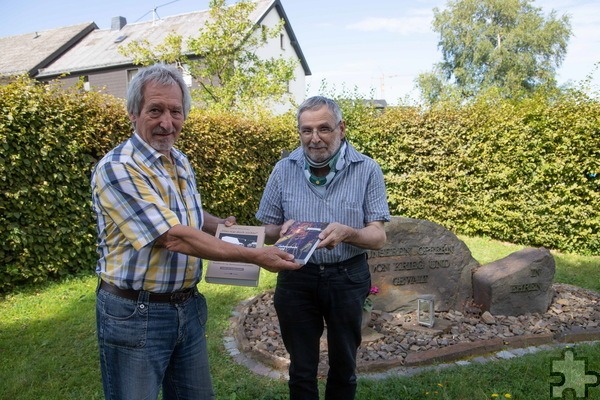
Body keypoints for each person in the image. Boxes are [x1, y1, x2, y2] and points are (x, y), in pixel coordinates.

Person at [91, 63, 299, 400]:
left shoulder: (179, 160)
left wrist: (263, 232)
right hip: (135, 313)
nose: (167, 122)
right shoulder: (119, 167)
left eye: (175, 111)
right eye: (155, 110)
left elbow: (191, 217)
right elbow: (173, 235)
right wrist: (255, 256)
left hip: (186, 307)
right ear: (133, 112)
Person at [256, 96, 391, 400]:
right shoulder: (283, 170)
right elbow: (266, 230)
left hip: (347, 277)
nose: (314, 138)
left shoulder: (367, 169)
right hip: (296, 277)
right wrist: (281, 230)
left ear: (341, 129)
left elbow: (378, 237)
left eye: (324, 129)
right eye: (306, 130)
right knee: (301, 368)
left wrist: (348, 233)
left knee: (344, 365)